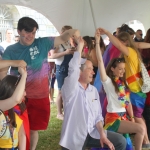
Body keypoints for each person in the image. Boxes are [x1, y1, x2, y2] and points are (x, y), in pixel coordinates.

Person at [1, 17, 80, 150]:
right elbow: (2, 70)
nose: (31, 36)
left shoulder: (43, 42)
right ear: (19, 31)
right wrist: (15, 63)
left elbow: (63, 37)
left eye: (33, 32)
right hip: (19, 96)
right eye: (27, 32)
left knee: (34, 129)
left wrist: (74, 31)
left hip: (40, 95)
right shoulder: (11, 50)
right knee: (19, 126)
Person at [59, 36, 126, 150]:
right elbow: (73, 68)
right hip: (74, 137)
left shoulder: (93, 90)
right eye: (89, 69)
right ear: (80, 72)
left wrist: (102, 134)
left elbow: (98, 116)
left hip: (92, 133)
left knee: (120, 141)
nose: (93, 72)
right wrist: (79, 47)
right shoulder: (71, 88)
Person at [97, 27, 150, 148]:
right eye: (120, 69)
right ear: (113, 69)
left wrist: (108, 33)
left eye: (123, 69)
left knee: (136, 123)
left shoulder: (123, 83)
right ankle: (145, 141)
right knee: (139, 125)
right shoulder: (109, 82)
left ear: (124, 42)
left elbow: (127, 103)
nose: (122, 71)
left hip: (125, 113)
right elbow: (100, 62)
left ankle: (145, 141)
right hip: (114, 119)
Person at [50, 25, 75, 120]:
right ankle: (59, 113)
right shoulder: (57, 43)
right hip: (61, 69)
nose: (69, 35)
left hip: (69, 69)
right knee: (60, 92)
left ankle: (67, 111)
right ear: (62, 33)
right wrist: (66, 53)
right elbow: (52, 56)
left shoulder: (68, 43)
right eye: (68, 33)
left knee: (68, 91)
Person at [0, 67, 27, 150]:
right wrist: (24, 75)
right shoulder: (1, 107)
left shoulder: (18, 110)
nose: (25, 94)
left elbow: (22, 135)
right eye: (23, 90)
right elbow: (15, 99)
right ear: (12, 91)